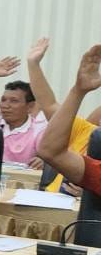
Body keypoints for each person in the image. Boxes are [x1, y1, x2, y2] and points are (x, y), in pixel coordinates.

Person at [26, 37, 101, 194]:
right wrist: (78, 90)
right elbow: (49, 105)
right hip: (49, 203)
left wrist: (87, 197)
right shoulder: (87, 131)